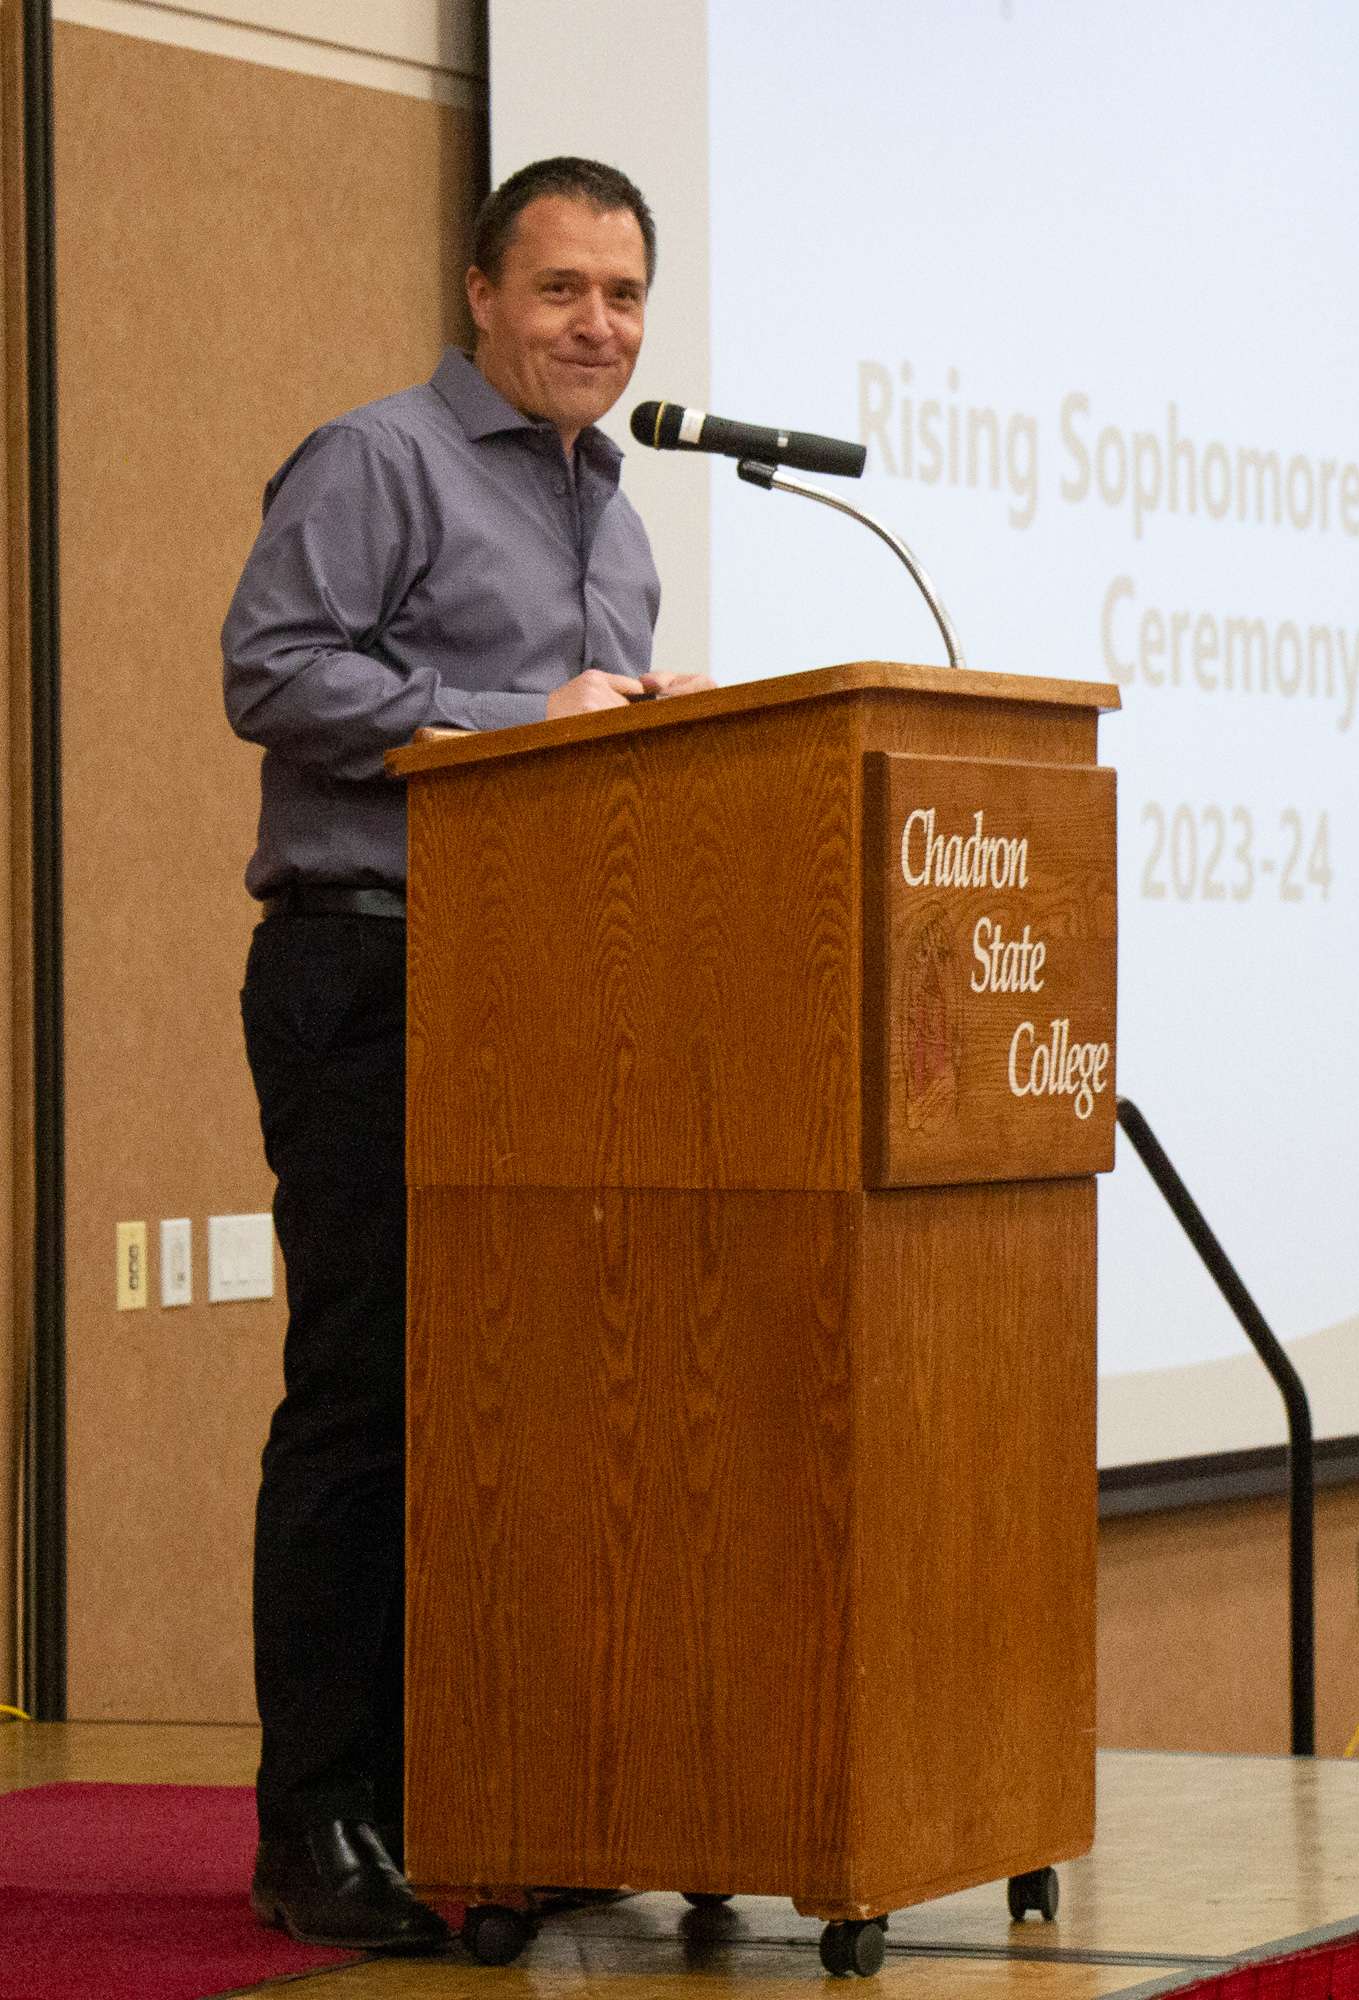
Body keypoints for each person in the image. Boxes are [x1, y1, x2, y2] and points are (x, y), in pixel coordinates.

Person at [222, 155, 711, 1952]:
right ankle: (322, 1816)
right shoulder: (381, 460)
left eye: (628, 294)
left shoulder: (621, 518)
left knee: (515, 1409)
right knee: (371, 1393)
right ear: (484, 297)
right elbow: (271, 671)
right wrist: (527, 715)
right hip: (371, 977)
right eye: (566, 289)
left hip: (545, 1002)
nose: (602, 324)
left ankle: (482, 1794)